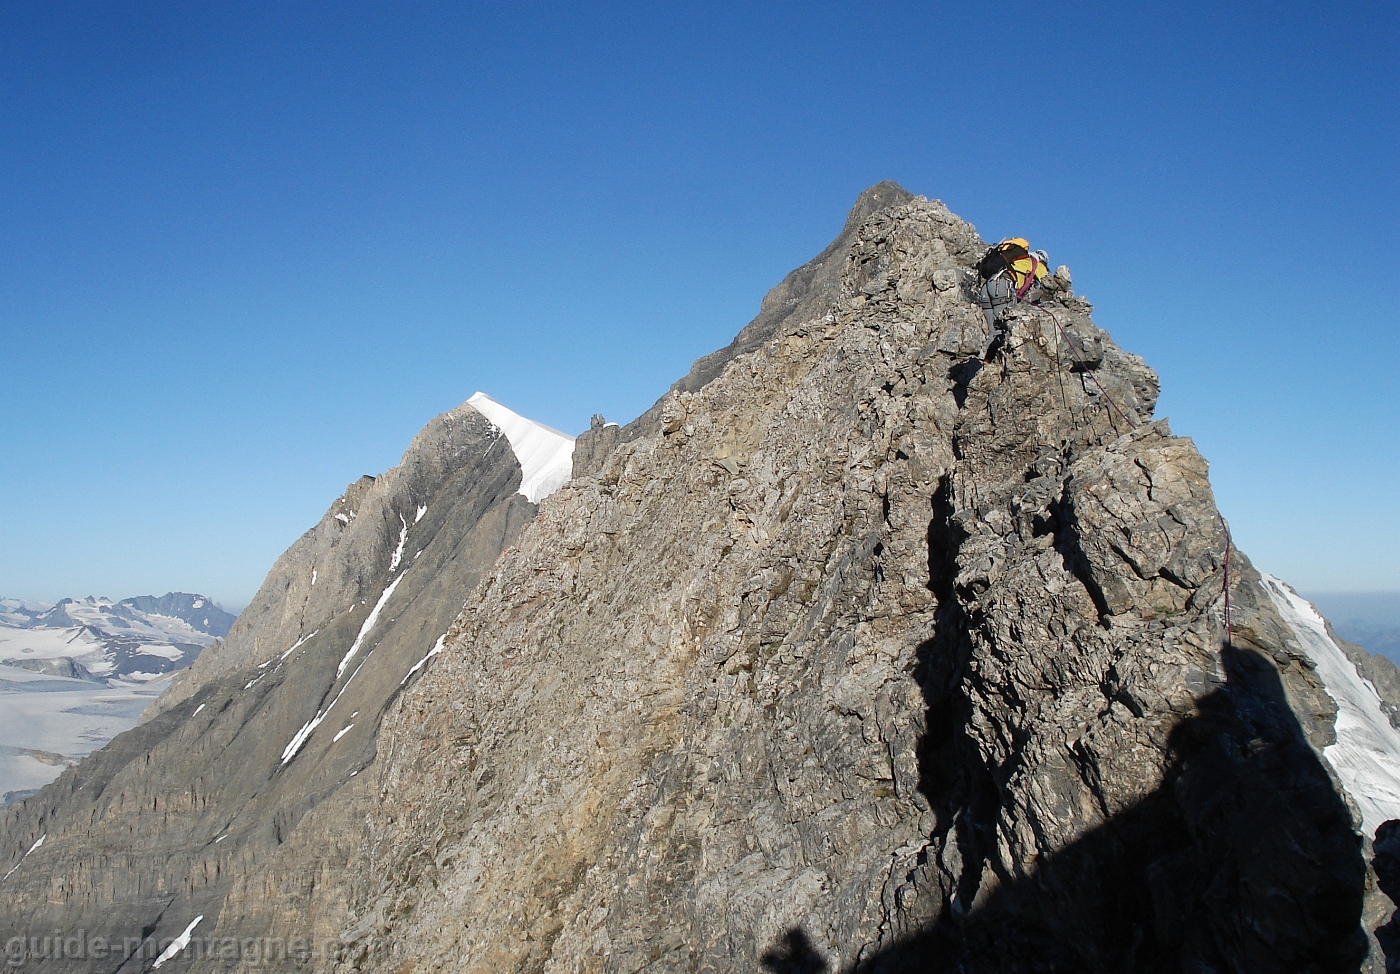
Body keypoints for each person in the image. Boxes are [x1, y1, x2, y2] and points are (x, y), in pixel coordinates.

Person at [975, 238, 1050, 360]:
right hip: (1003, 286)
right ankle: (989, 361)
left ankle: (983, 361)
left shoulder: (1020, 258)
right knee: (1002, 326)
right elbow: (1048, 281)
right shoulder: (1037, 264)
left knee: (993, 329)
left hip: (988, 286)